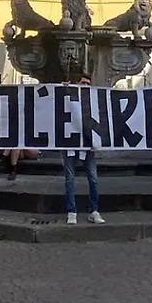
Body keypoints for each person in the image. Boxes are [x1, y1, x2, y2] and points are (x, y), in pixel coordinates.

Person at [63, 76, 105, 225]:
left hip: (87, 144)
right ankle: (71, 211)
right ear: (77, 84)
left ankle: (93, 210)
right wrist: (64, 88)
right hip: (70, 143)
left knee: (93, 178)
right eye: (82, 83)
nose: (86, 86)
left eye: (88, 83)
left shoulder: (92, 101)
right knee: (70, 178)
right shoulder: (70, 97)